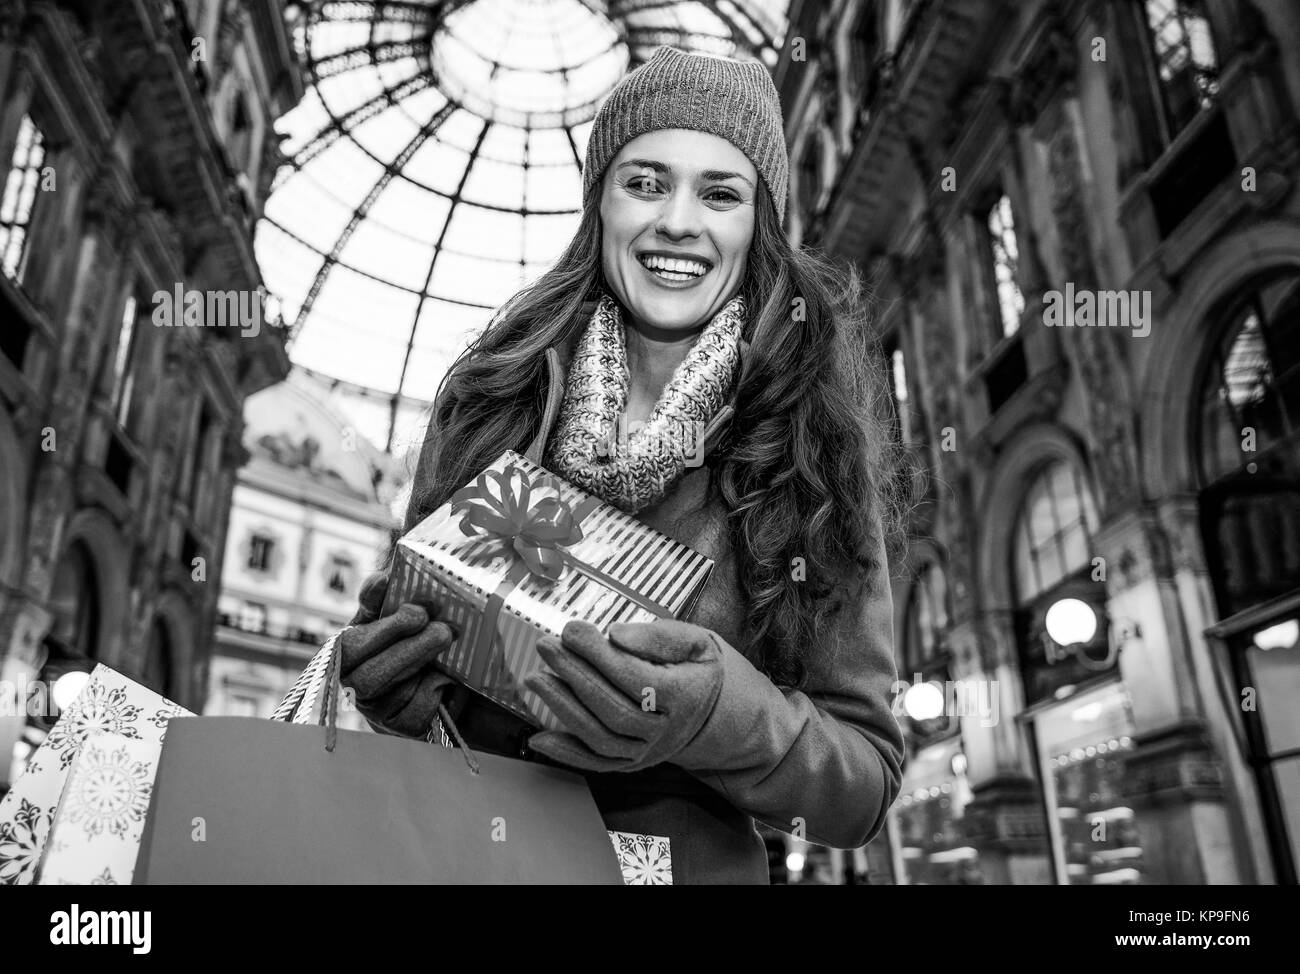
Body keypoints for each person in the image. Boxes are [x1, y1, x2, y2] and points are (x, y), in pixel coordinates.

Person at [338, 45, 906, 884]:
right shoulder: (490, 397)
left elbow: (864, 783)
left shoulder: (811, 445)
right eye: (645, 182)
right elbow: (425, 656)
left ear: (760, 227)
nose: (678, 220)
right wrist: (398, 694)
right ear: (600, 205)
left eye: (721, 193)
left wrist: (716, 714)